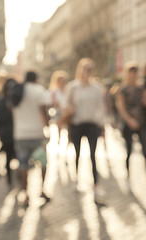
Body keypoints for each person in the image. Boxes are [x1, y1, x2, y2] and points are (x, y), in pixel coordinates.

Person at [60, 58, 106, 205]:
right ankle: (77, 179)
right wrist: (69, 108)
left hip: (92, 125)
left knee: (93, 154)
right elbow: (64, 102)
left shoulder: (97, 88)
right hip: (77, 124)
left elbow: (101, 108)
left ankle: (95, 185)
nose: (87, 72)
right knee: (77, 154)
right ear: (80, 70)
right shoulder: (73, 87)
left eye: (90, 69)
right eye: (85, 69)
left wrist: (102, 125)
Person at [12, 71, 51, 207]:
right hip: (36, 133)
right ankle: (42, 189)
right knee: (43, 163)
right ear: (36, 79)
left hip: (20, 133)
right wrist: (48, 128)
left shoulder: (17, 91)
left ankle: (26, 194)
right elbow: (44, 112)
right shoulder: (39, 91)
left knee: (23, 164)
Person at [116, 61, 146, 193]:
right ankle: (128, 179)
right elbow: (121, 108)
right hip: (129, 124)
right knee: (128, 152)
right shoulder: (123, 89)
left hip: (141, 123)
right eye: (131, 71)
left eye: (135, 71)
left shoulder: (141, 88)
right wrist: (129, 120)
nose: (134, 74)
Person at [0, 77, 17, 185]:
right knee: (7, 155)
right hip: (7, 133)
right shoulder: (2, 101)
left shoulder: (16, 100)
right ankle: (9, 178)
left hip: (17, 133)